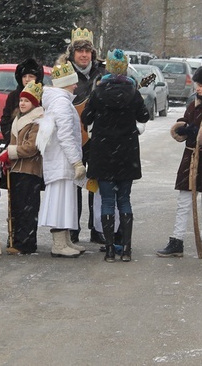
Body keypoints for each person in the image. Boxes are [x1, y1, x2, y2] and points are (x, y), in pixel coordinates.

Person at [81, 49, 150, 262]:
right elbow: (144, 116)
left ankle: (110, 250)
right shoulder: (132, 92)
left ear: (108, 68)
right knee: (125, 200)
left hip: (103, 152)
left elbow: (86, 117)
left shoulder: (98, 92)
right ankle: (126, 250)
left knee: (107, 201)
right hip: (126, 153)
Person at [157, 65, 202, 258]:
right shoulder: (194, 103)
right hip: (190, 157)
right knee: (184, 200)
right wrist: (183, 127)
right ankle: (176, 240)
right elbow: (187, 119)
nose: (198, 88)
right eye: (198, 84)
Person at [37, 59, 87, 258]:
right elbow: (66, 136)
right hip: (62, 161)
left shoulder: (60, 101)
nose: (76, 85)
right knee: (61, 201)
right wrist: (76, 162)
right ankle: (58, 243)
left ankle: (65, 240)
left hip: (60, 161)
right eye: (73, 82)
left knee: (66, 201)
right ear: (65, 83)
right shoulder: (62, 104)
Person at [67, 27, 106, 245]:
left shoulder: (102, 72)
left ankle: (97, 227)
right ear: (72, 53)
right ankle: (72, 226)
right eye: (79, 51)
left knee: (96, 182)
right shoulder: (64, 73)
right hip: (74, 136)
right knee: (74, 181)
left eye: (87, 51)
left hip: (98, 136)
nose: (84, 55)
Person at [0, 81, 45, 255]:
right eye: (21, 100)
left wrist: (9, 153)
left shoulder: (37, 121)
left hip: (29, 170)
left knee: (28, 208)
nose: (22, 103)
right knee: (16, 206)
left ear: (34, 103)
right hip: (16, 169)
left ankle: (26, 242)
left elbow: (31, 147)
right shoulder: (17, 118)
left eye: (27, 100)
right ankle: (16, 239)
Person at [0, 58, 44, 145]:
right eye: (24, 76)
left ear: (37, 78)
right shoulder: (13, 96)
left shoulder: (44, 95)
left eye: (31, 76)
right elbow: (5, 120)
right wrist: (11, 140)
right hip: (14, 143)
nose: (27, 79)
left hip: (36, 145)